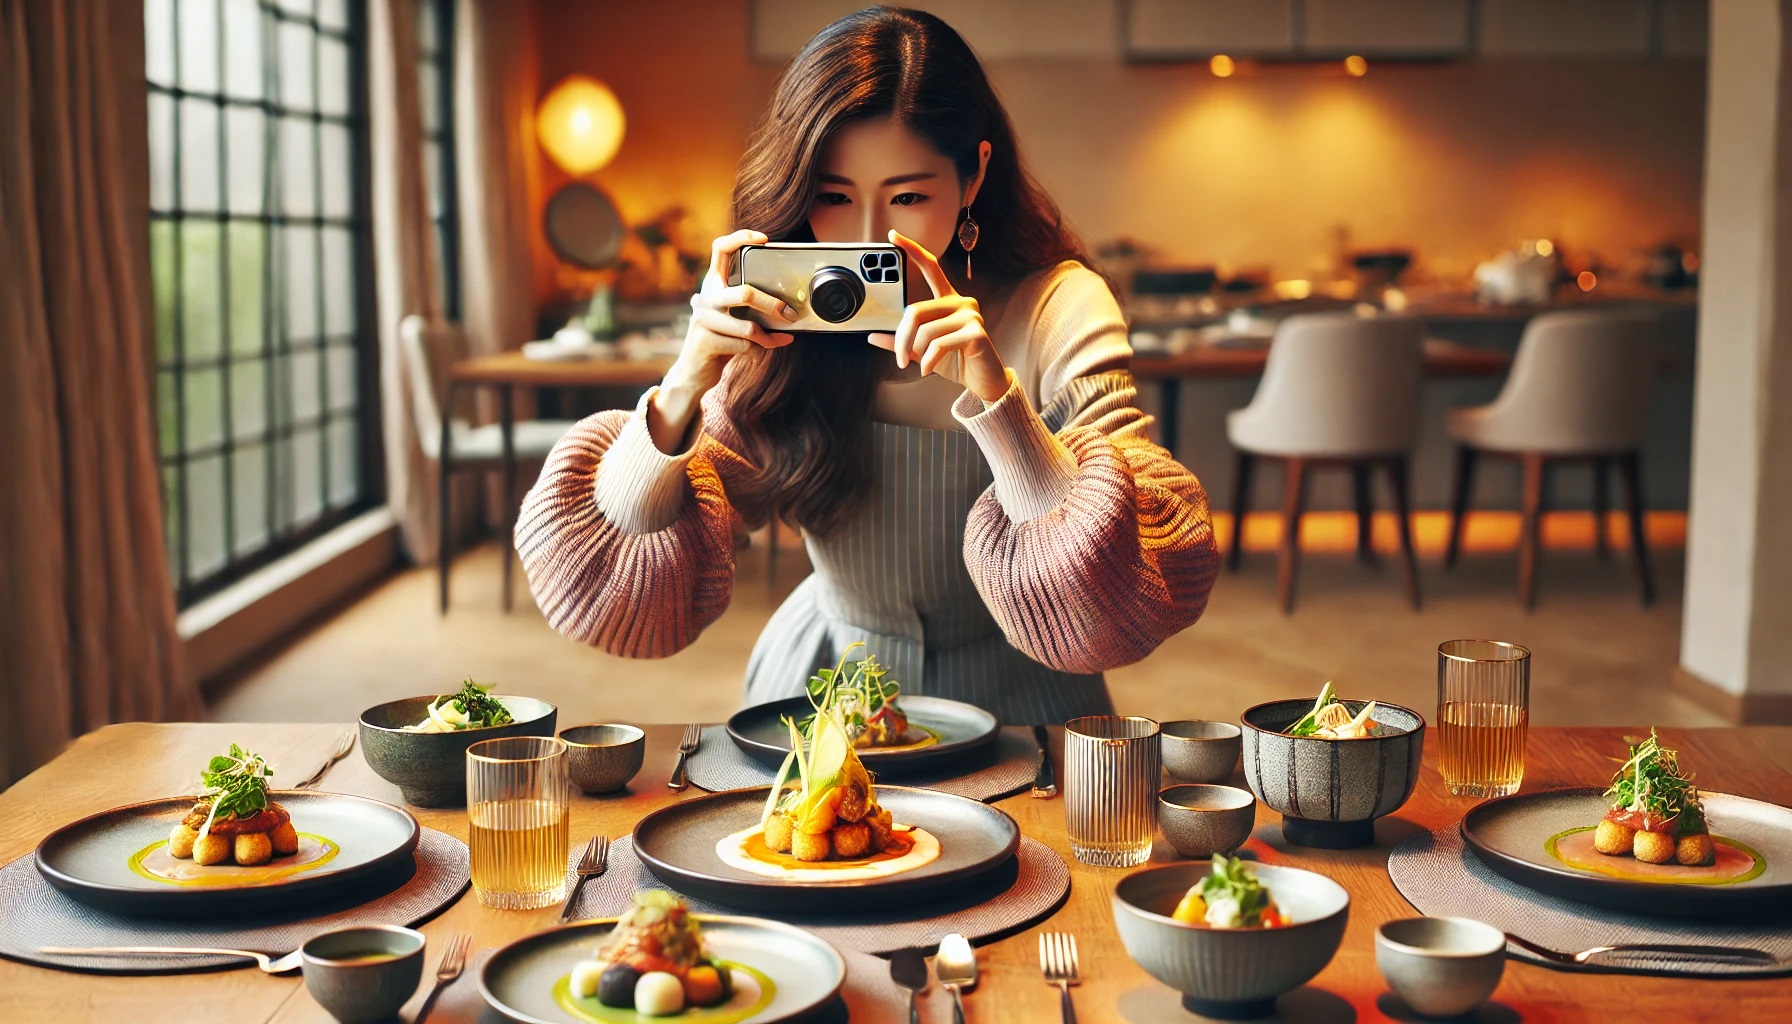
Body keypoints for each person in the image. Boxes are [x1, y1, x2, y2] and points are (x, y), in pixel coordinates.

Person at [516, 7, 1220, 723]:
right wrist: (685, 385)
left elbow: (1138, 581)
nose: (867, 236)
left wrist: (997, 398)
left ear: (974, 175)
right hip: (824, 686)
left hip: (1025, 699)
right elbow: (611, 593)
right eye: (832, 196)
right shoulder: (784, 313)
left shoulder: (1059, 305)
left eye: (909, 196)